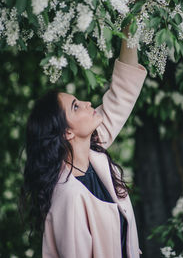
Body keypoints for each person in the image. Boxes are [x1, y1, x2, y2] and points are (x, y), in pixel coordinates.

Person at [19, 26, 147, 258]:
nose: (88, 103)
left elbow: (123, 92)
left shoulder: (93, 153)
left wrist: (131, 26)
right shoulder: (69, 197)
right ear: (67, 132)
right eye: (76, 106)